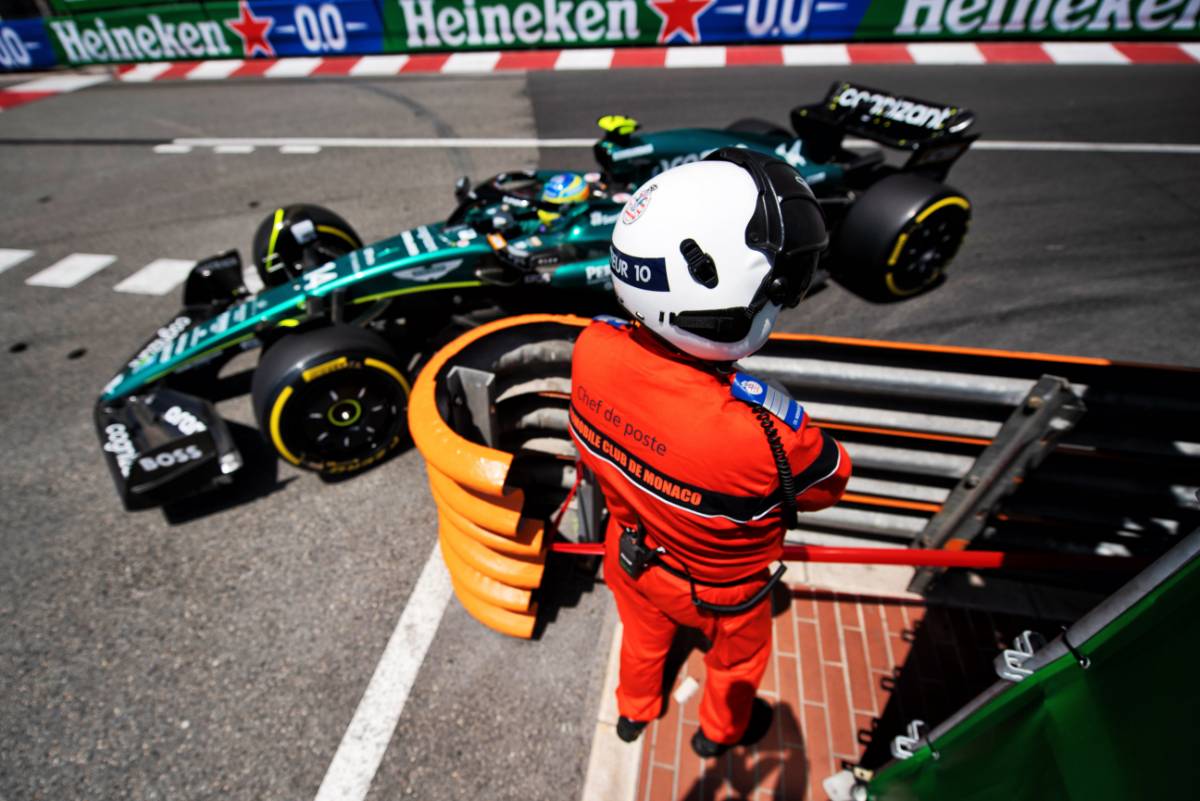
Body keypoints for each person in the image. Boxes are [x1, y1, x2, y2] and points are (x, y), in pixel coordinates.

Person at [568, 149, 852, 757]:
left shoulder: (591, 347)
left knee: (642, 642)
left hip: (632, 555)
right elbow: (831, 484)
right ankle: (719, 734)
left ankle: (634, 711)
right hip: (725, 591)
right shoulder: (764, 430)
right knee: (738, 663)